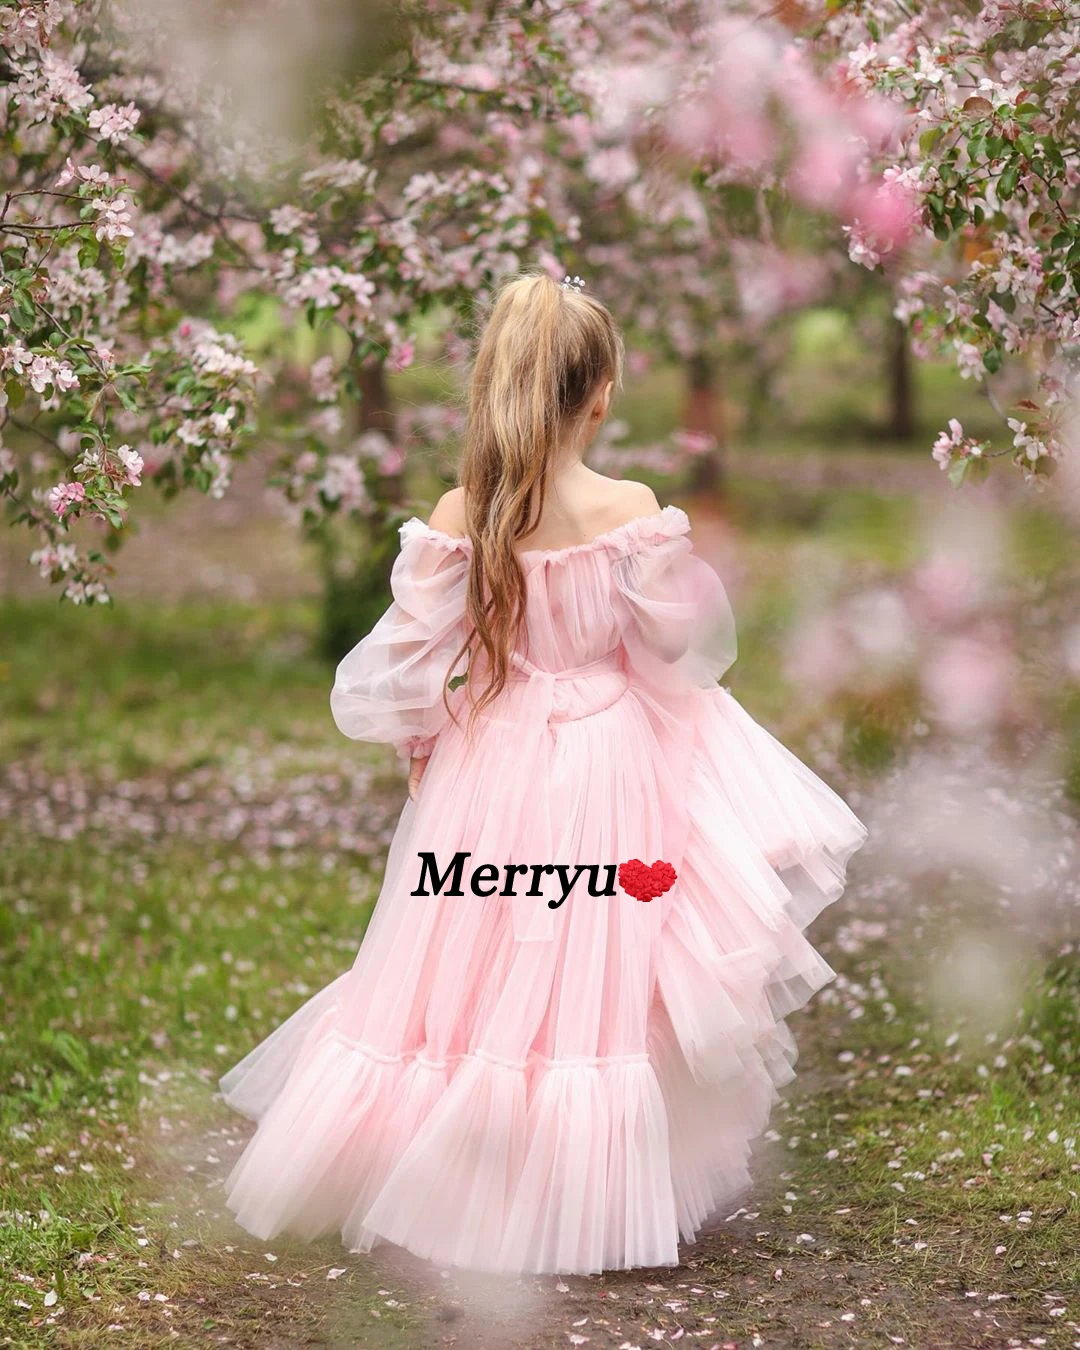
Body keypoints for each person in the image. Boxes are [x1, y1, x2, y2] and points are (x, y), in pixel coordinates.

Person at [219, 272, 867, 1276]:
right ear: (600, 392)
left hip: (491, 758)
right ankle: (569, 1181)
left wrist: (426, 755)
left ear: (498, 380)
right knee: (593, 967)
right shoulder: (634, 509)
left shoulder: (463, 511)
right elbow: (674, 659)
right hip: (610, 763)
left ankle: (441, 1164)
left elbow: (421, 667)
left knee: (467, 965)